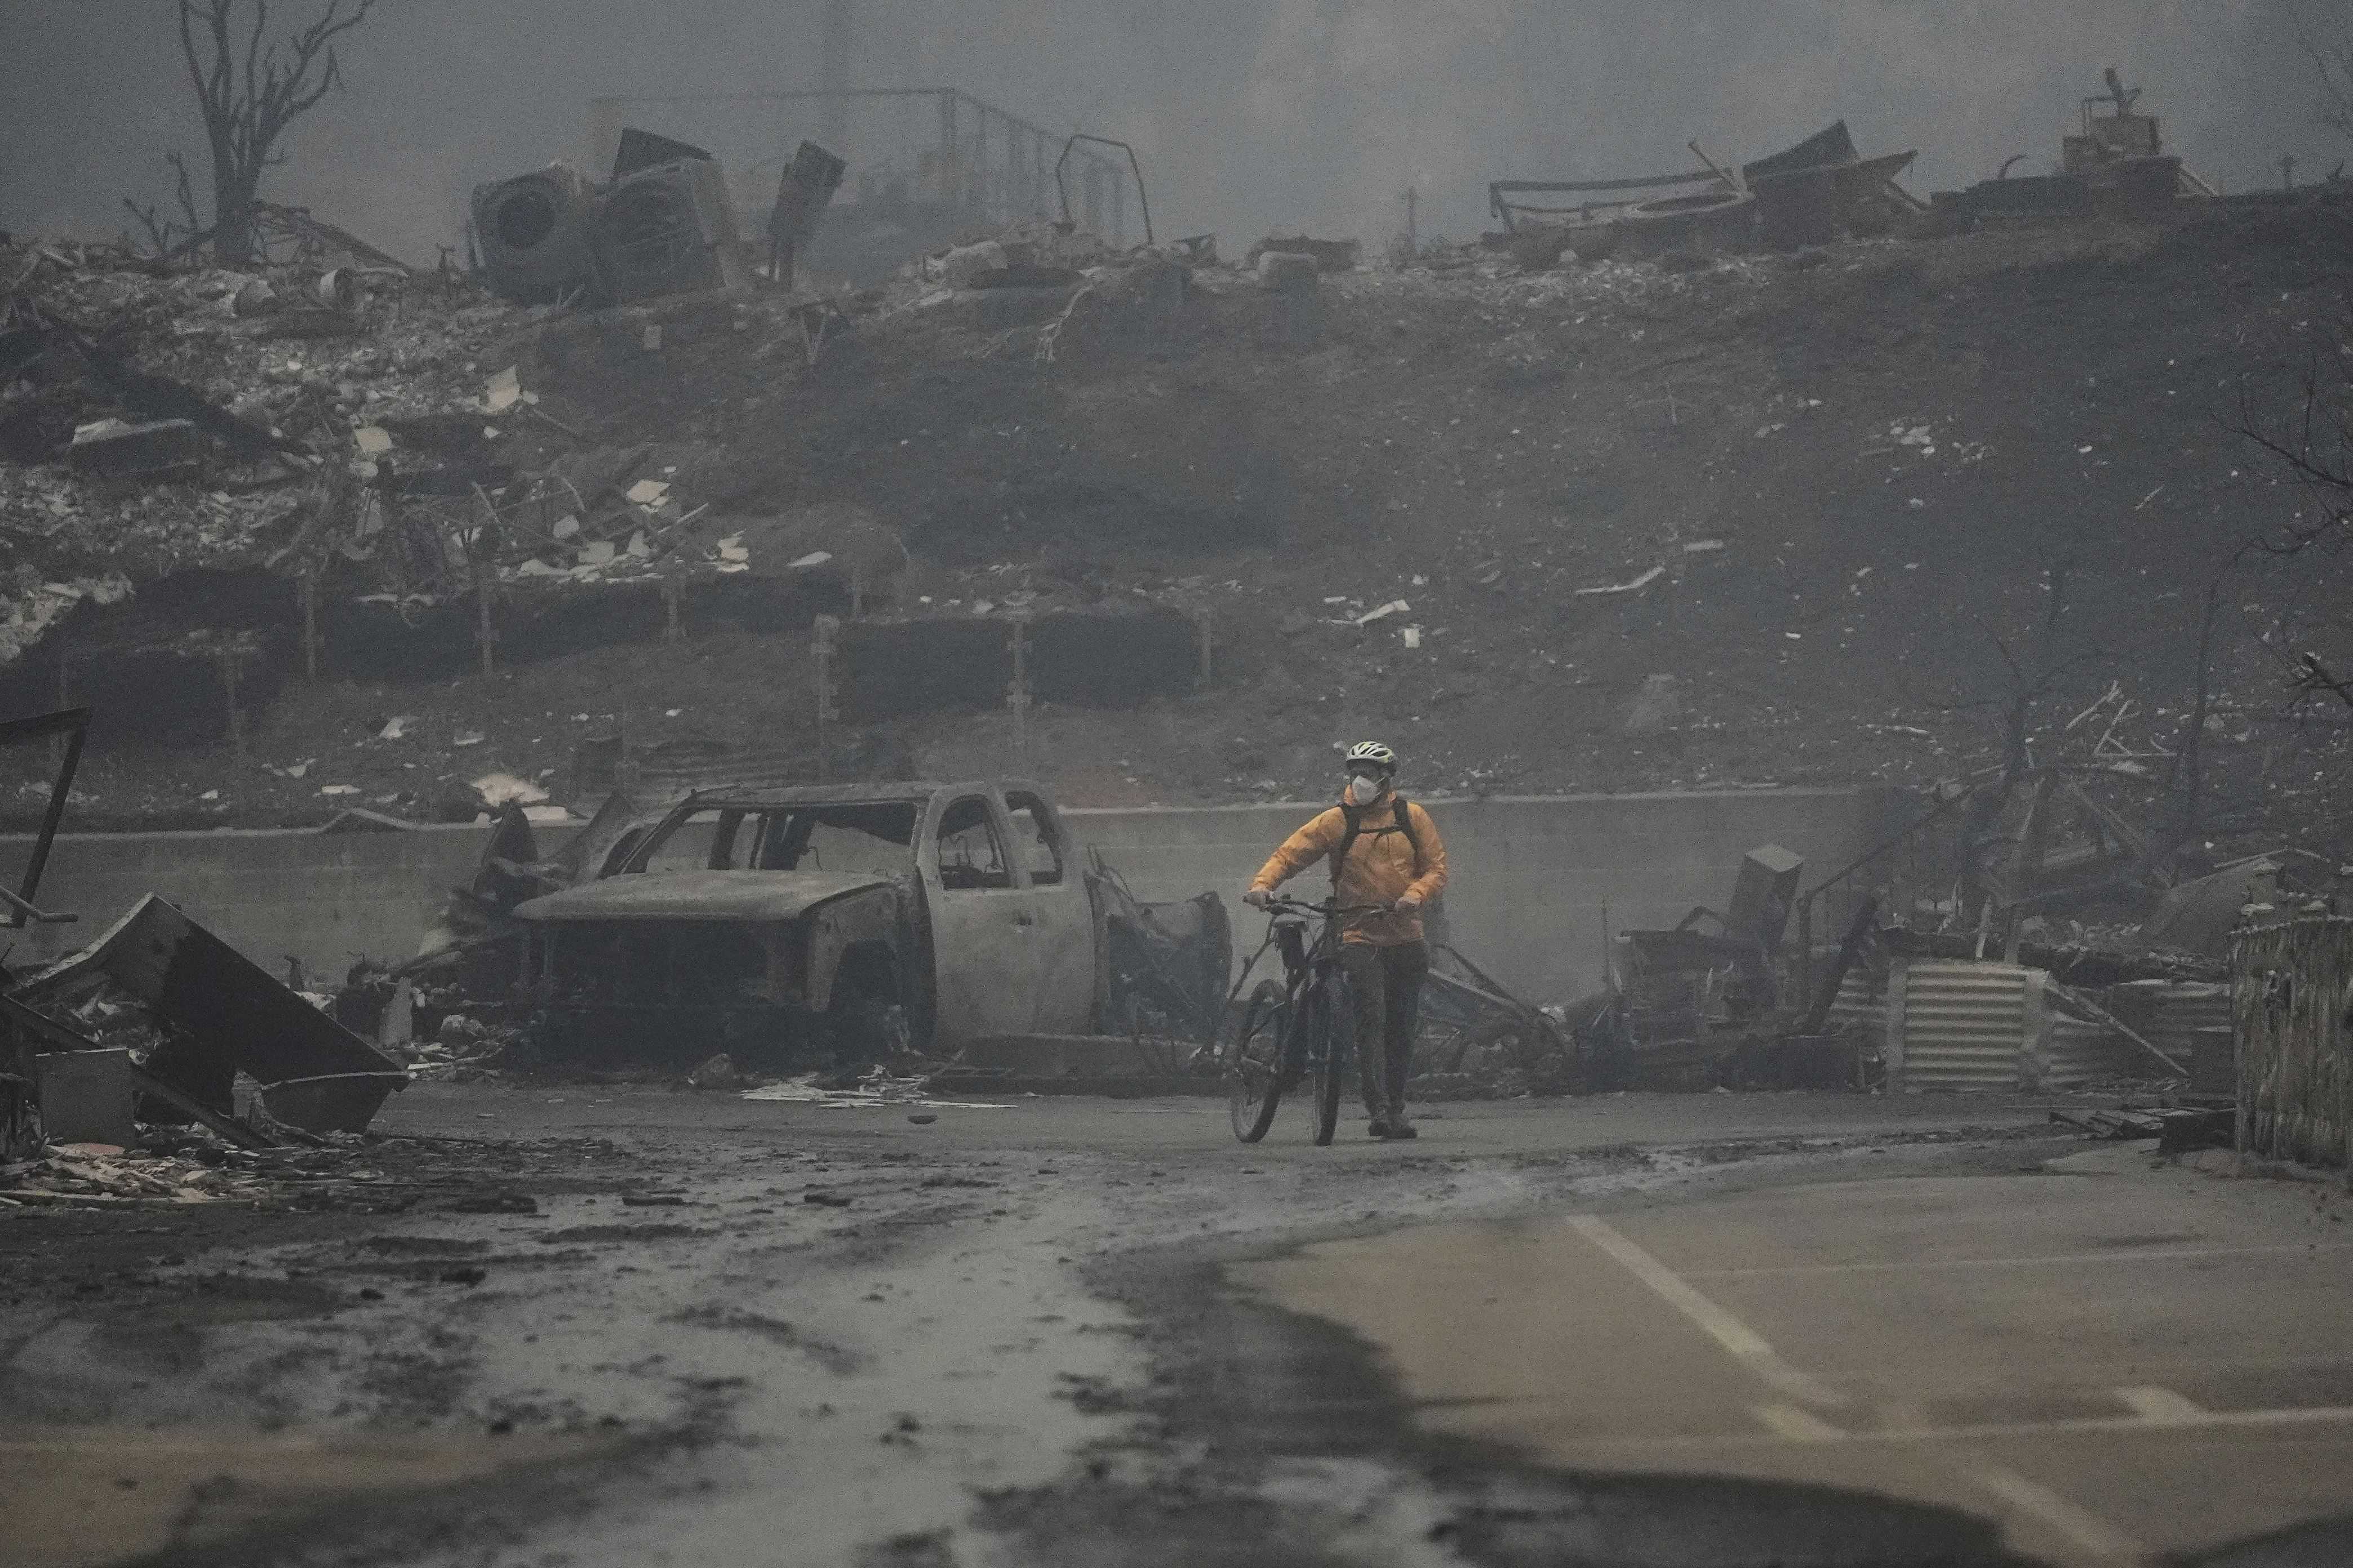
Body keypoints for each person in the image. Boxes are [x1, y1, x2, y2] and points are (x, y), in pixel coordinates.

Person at [1244, 741, 1449, 1139]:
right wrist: (1262, 885)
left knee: (1402, 1026)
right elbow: (1290, 854)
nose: (1361, 780)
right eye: (1356, 771)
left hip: (1407, 935)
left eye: (1369, 772)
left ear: (1386, 778)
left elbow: (1437, 869)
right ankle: (1381, 1111)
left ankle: (1397, 1105)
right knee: (1372, 1018)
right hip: (1357, 931)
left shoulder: (1413, 817)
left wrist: (1415, 895)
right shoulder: (1337, 821)